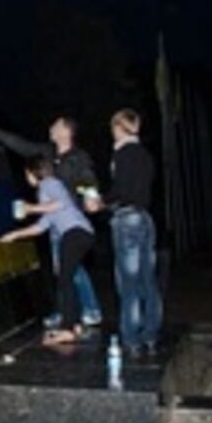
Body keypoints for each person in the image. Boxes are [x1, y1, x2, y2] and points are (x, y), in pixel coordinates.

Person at [0, 115, 102, 328]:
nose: (50, 128)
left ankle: (89, 310)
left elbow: (87, 181)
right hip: (54, 222)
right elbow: (23, 146)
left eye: (55, 126)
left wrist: (92, 196)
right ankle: (66, 312)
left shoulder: (77, 158)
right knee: (62, 270)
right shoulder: (48, 153)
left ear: (66, 131)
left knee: (70, 270)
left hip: (72, 223)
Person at [0, 155, 95, 345]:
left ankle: (68, 329)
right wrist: (15, 235)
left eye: (27, 173)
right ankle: (74, 324)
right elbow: (42, 226)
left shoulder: (49, 183)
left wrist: (30, 208)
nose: (26, 178)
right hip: (80, 234)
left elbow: (61, 203)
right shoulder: (45, 193)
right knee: (67, 278)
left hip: (74, 233)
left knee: (65, 279)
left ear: (34, 173)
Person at [87, 109, 161, 357]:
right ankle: (151, 335)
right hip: (145, 218)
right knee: (148, 281)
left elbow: (121, 190)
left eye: (113, 127)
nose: (111, 132)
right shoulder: (146, 155)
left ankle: (131, 339)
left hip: (127, 219)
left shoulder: (122, 153)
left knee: (128, 283)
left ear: (119, 127)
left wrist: (100, 201)